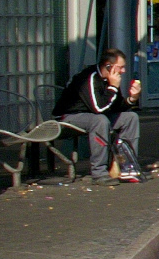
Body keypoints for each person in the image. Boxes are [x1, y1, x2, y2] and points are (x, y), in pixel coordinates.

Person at [54, 49, 143, 184]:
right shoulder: (89, 78)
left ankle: (127, 166)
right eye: (121, 67)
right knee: (99, 121)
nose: (123, 71)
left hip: (93, 116)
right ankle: (99, 172)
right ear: (108, 66)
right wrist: (112, 87)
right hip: (69, 117)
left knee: (131, 117)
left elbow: (115, 107)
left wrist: (132, 98)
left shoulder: (110, 80)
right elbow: (99, 108)